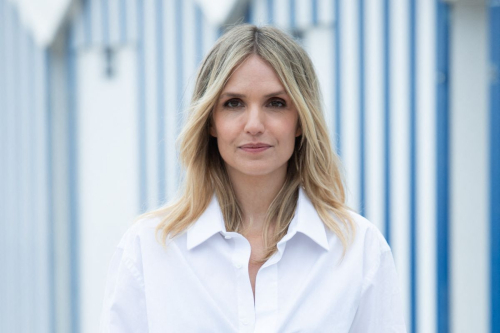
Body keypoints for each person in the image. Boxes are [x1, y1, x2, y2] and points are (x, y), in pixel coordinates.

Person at [100, 24, 406, 332]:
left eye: (276, 103)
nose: (254, 124)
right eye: (234, 103)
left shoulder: (357, 249)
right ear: (211, 121)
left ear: (301, 120)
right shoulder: (149, 248)